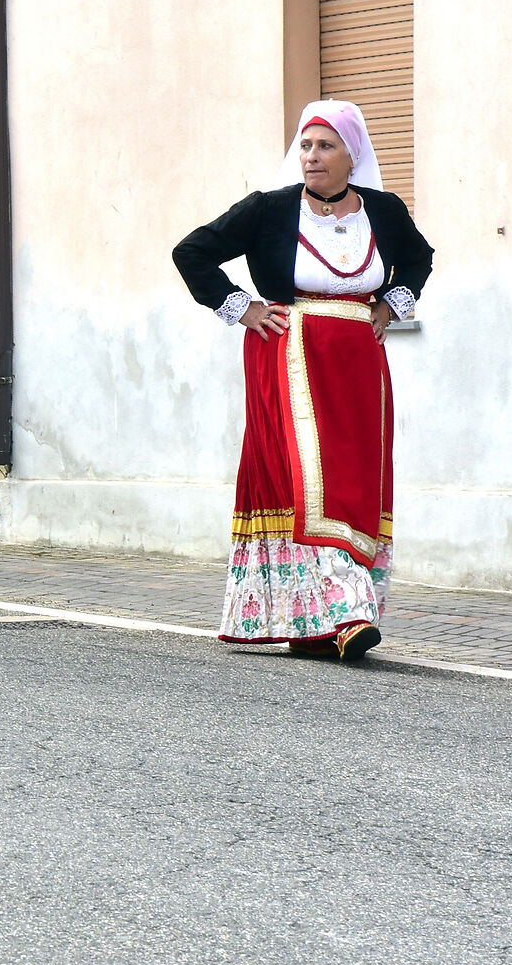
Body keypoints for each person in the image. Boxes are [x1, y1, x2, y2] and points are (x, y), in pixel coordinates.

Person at [173, 99, 434, 660]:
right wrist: (240, 306)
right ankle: (347, 614)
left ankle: (318, 623)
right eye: (305, 145)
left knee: (357, 482)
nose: (311, 158)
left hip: (360, 368)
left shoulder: (384, 212)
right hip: (287, 357)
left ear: (351, 155)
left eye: (325, 146)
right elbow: (191, 252)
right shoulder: (269, 210)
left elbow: (418, 259)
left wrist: (393, 302)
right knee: (308, 482)